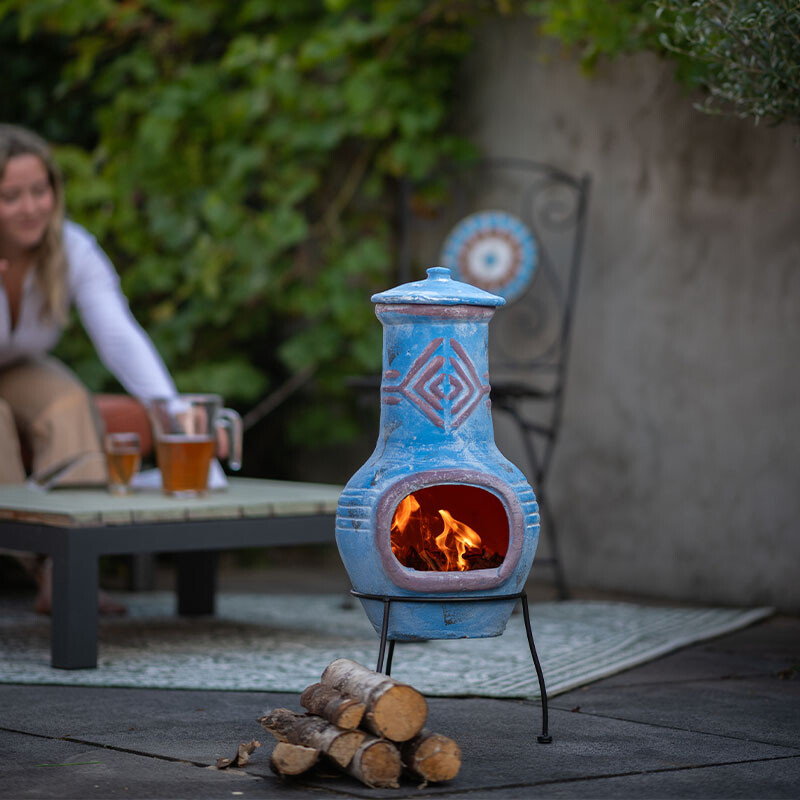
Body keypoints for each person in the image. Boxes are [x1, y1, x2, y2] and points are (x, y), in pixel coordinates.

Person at [0, 123, 178, 614]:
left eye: (40, 190)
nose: (31, 206)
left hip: (18, 366)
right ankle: (35, 560)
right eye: (11, 196)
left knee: (69, 402)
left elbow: (119, 336)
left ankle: (66, 570)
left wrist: (173, 413)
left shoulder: (71, 247)